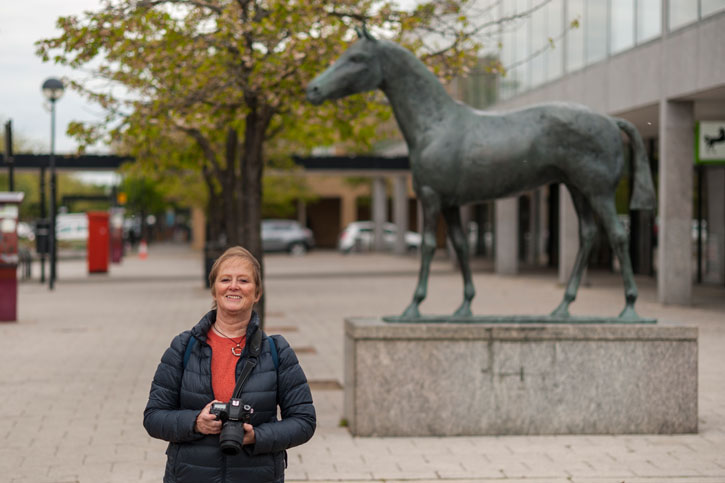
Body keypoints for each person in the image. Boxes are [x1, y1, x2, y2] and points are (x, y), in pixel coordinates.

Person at [144, 246, 316, 483]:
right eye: (225, 279)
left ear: (257, 293)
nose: (233, 286)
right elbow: (154, 417)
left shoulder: (276, 350)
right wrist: (196, 422)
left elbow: (304, 421)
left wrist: (257, 435)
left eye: (243, 280)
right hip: (190, 475)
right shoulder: (184, 347)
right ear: (214, 290)